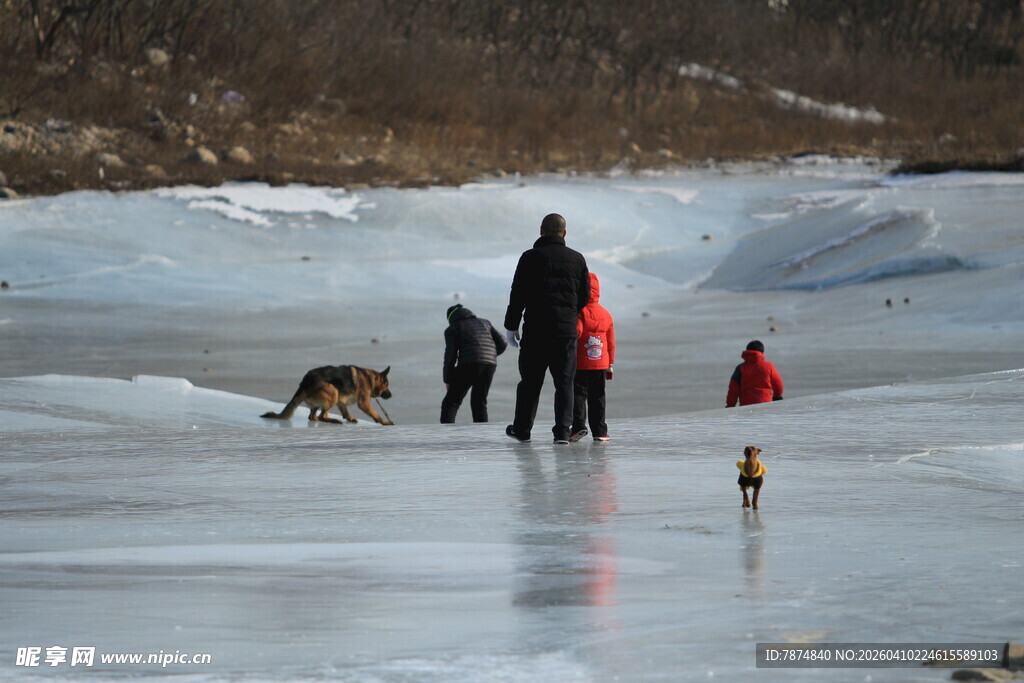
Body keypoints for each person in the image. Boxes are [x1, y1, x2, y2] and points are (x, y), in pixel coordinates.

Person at [504, 213, 590, 444]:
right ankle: (562, 432)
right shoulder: (577, 259)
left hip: (536, 331)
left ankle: (522, 429)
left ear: (541, 231)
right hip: (565, 332)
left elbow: (518, 293)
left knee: (530, 382)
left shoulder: (529, 257)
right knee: (564, 382)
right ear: (564, 232)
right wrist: (568, 315)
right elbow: (584, 297)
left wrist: (511, 326)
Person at [441, 304, 507, 423]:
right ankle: (482, 435)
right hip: (490, 365)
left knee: (451, 403)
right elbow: (503, 342)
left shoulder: (453, 328)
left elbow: (450, 356)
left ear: (451, 318)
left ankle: (446, 434)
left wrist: (448, 379)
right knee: (479, 402)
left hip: (469, 365)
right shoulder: (485, 323)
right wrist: (489, 355)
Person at [570, 272, 615, 442]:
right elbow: (610, 341)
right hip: (601, 363)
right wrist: (610, 363)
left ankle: (578, 426)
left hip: (581, 363)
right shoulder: (606, 313)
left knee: (579, 395)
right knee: (598, 397)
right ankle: (600, 431)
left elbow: (577, 332)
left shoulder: (579, 312)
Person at [726, 340, 784, 407]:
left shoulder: (740, 368)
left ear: (747, 352)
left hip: (746, 406)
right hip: (766, 404)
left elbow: (733, 389)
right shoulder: (769, 366)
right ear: (762, 352)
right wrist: (777, 397)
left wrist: (730, 405)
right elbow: (778, 385)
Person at [736, 445, 767, 509]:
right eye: (747, 449)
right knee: (743, 485)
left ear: (757, 452)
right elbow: (742, 486)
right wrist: (746, 497)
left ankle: (754, 503)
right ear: (744, 453)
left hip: (756, 476)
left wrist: (754, 503)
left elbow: (757, 489)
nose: (749, 449)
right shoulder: (743, 470)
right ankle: (745, 500)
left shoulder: (759, 474)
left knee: (757, 488)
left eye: (752, 449)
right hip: (746, 475)